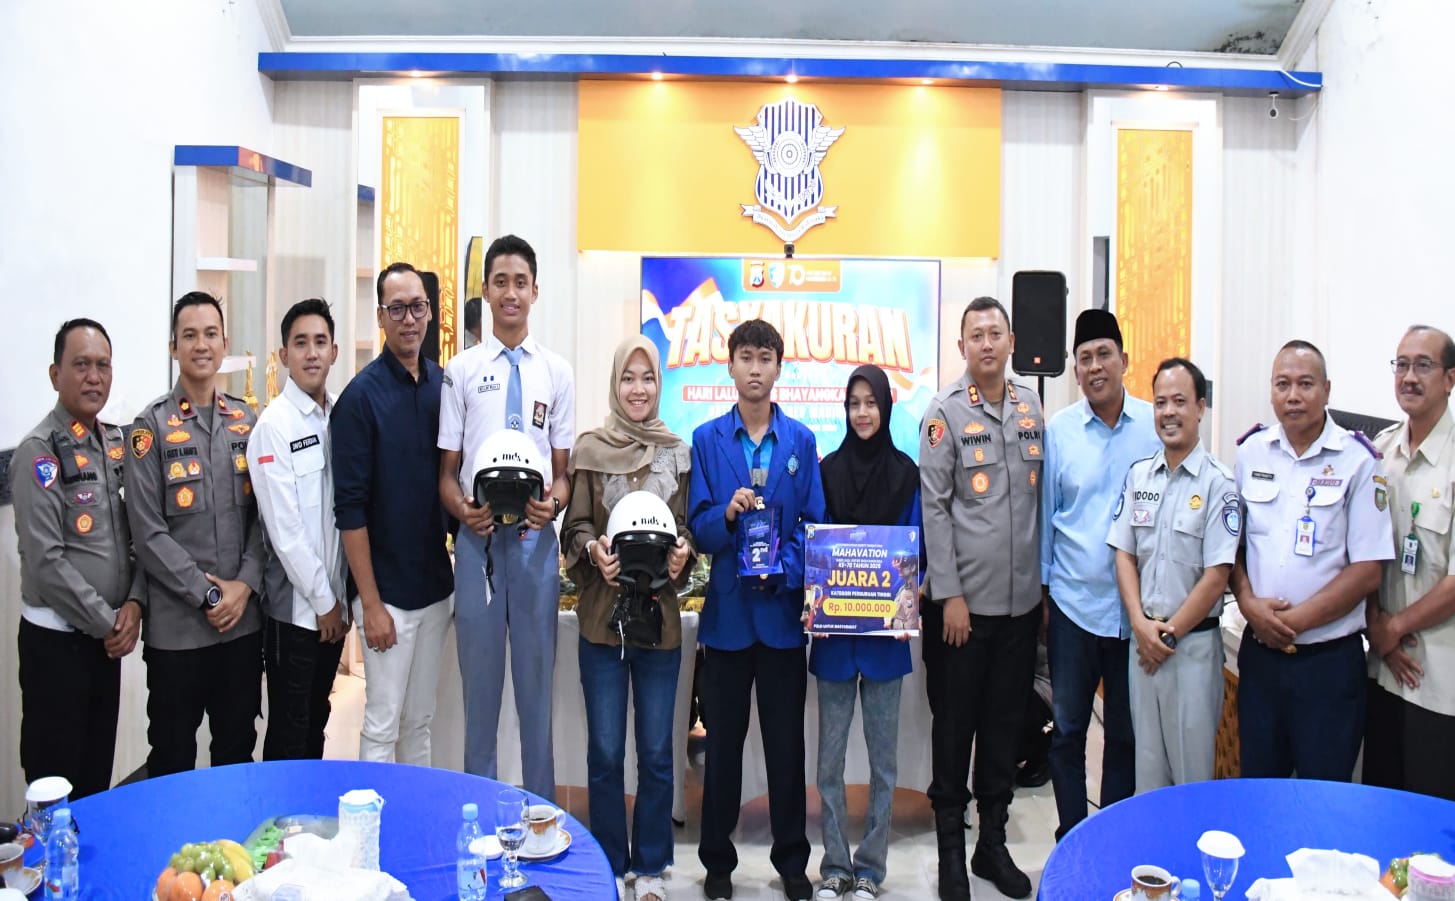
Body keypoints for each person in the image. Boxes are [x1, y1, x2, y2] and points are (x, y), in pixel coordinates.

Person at [688, 319, 823, 901]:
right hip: (727, 622)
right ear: (730, 365)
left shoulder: (801, 442)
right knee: (721, 751)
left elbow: (813, 526)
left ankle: (792, 861)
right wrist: (727, 514)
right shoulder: (706, 439)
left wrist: (781, 571)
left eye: (765, 358)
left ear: (779, 368)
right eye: (745, 357)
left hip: (782, 620)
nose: (755, 368)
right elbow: (697, 527)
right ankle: (717, 863)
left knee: (786, 750)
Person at [438, 234, 574, 800]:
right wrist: (463, 513)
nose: (511, 293)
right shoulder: (460, 371)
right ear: (486, 291)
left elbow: (563, 475)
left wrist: (553, 505)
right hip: (479, 547)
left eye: (521, 282)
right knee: (481, 697)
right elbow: (447, 474)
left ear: (535, 291)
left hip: (536, 546)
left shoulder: (557, 372)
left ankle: (542, 819)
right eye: (501, 282)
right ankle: (480, 820)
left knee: (536, 696)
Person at [562, 335, 693, 901]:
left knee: (659, 752)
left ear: (658, 385)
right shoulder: (590, 450)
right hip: (601, 624)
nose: (637, 389)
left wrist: (683, 552)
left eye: (647, 378)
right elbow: (575, 526)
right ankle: (610, 862)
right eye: (627, 378)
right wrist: (592, 549)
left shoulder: (678, 453)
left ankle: (653, 864)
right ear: (615, 384)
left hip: (661, 626)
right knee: (606, 752)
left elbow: (685, 528)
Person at [920, 298, 1042, 900]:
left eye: (996, 333)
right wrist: (949, 595)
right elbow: (935, 508)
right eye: (976, 335)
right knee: (955, 731)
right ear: (962, 346)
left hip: (1021, 609)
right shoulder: (944, 413)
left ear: (1011, 341)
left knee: (1004, 730)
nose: (987, 343)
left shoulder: (1030, 406)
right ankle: (950, 849)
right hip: (963, 613)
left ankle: (991, 845)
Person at [1232, 340, 1392, 780]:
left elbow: (1368, 570)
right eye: (1282, 384)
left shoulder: (1359, 461)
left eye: (1305, 384)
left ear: (1326, 390)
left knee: (1324, 795)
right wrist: (1248, 604)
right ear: (1271, 391)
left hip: (1328, 664)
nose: (1293, 396)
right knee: (1259, 788)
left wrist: (1293, 622)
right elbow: (1233, 547)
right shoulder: (1251, 452)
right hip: (1261, 658)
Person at [126, 292, 266, 776]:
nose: (201, 345)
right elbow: (148, 533)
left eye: (210, 334)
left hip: (241, 628)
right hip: (177, 635)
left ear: (225, 343)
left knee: (236, 755)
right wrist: (208, 594)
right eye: (189, 335)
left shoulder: (247, 421)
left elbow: (263, 517)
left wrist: (244, 585)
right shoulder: (149, 429)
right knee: (172, 761)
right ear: (173, 347)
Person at [11, 319, 145, 798]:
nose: (94, 377)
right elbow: (46, 563)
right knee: (55, 787)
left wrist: (134, 605)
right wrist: (109, 623)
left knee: (95, 782)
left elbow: (135, 536)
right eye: (81, 365)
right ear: (55, 374)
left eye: (102, 365)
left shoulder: (112, 443)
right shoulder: (39, 452)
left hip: (103, 645)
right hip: (59, 649)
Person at [1040, 308, 1158, 840]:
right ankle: (1073, 834)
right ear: (1075, 369)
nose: (1094, 367)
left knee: (1125, 736)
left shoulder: (1154, 427)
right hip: (1073, 607)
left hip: (1136, 614)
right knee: (1067, 729)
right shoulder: (1060, 432)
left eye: (1103, 354)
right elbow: (1046, 518)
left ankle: (1110, 837)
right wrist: (1045, 595)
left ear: (1124, 360)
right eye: (1084, 358)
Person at [333, 262, 454, 764]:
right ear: (381, 316)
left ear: (430, 312)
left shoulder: (443, 386)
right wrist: (371, 604)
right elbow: (350, 511)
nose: (409, 319)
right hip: (386, 597)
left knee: (419, 722)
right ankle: (372, 818)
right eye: (397, 309)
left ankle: (414, 812)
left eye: (418, 307)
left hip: (435, 589)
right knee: (382, 724)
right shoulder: (359, 399)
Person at [811, 365, 918, 901]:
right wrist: (815, 595)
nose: (862, 413)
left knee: (884, 765)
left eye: (870, 402)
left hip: (884, 643)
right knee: (828, 763)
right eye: (854, 404)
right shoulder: (826, 471)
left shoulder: (906, 474)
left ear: (885, 406)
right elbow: (816, 542)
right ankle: (835, 865)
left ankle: (871, 869)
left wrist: (908, 597)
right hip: (835, 639)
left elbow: (915, 547)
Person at [1107, 358, 1239, 791]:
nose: (1169, 412)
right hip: (1143, 646)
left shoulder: (1219, 484)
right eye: (1161, 402)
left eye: (1180, 402)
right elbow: (1124, 554)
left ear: (1200, 408)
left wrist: (1168, 635)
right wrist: (1140, 625)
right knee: (1146, 776)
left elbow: (1217, 574)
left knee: (1191, 779)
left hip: (1192, 649)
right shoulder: (1139, 476)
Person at [247, 299, 348, 761]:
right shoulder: (274, 426)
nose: (311, 353)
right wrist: (325, 603)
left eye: (320, 342)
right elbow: (285, 533)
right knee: (290, 733)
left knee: (317, 724)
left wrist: (340, 602)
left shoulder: (340, 416)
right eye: (300, 343)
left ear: (334, 352)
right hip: (296, 616)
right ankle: (282, 811)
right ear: (283, 355)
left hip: (334, 610)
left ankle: (311, 810)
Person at [1365, 325, 1455, 800]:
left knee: (1432, 821)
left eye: (1423, 365)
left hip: (1438, 683)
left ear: (1450, 379)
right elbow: (1362, 556)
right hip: (1381, 670)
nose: (1409, 377)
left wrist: (1393, 628)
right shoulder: (1381, 453)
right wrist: (1376, 625)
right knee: (1381, 807)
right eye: (1401, 365)